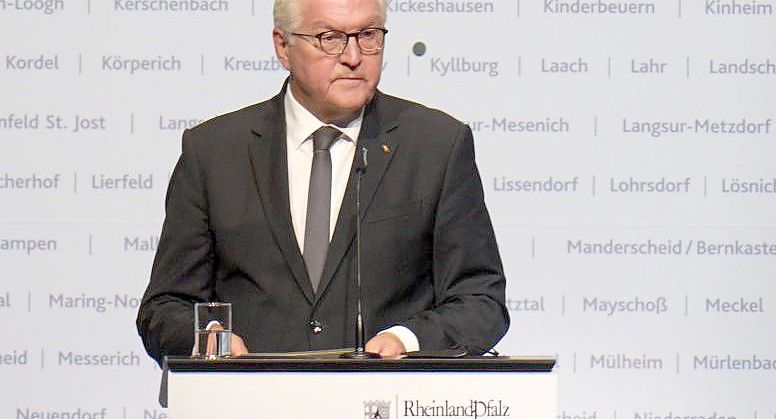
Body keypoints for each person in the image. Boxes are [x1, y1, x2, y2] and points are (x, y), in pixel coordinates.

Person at [136, 0, 509, 363]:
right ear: (283, 46)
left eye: (368, 35)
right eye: (330, 37)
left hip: (382, 406)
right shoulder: (214, 151)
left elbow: (481, 302)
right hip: (252, 409)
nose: (352, 56)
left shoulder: (436, 145)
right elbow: (165, 308)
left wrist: (406, 340)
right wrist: (210, 338)